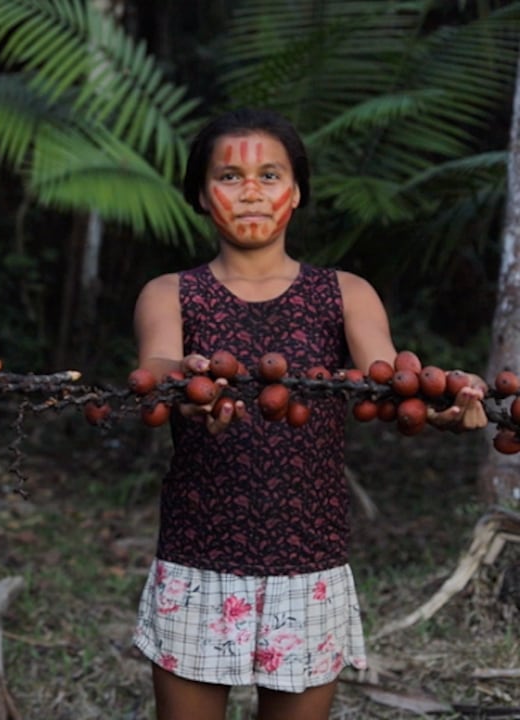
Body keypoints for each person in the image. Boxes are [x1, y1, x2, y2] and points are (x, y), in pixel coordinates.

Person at [130, 108, 487, 720]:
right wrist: (188, 386)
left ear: (296, 193)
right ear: (199, 193)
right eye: (229, 176)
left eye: (270, 175)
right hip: (197, 558)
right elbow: (155, 369)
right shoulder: (170, 293)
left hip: (310, 564)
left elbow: (390, 385)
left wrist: (443, 406)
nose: (250, 191)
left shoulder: (345, 293)